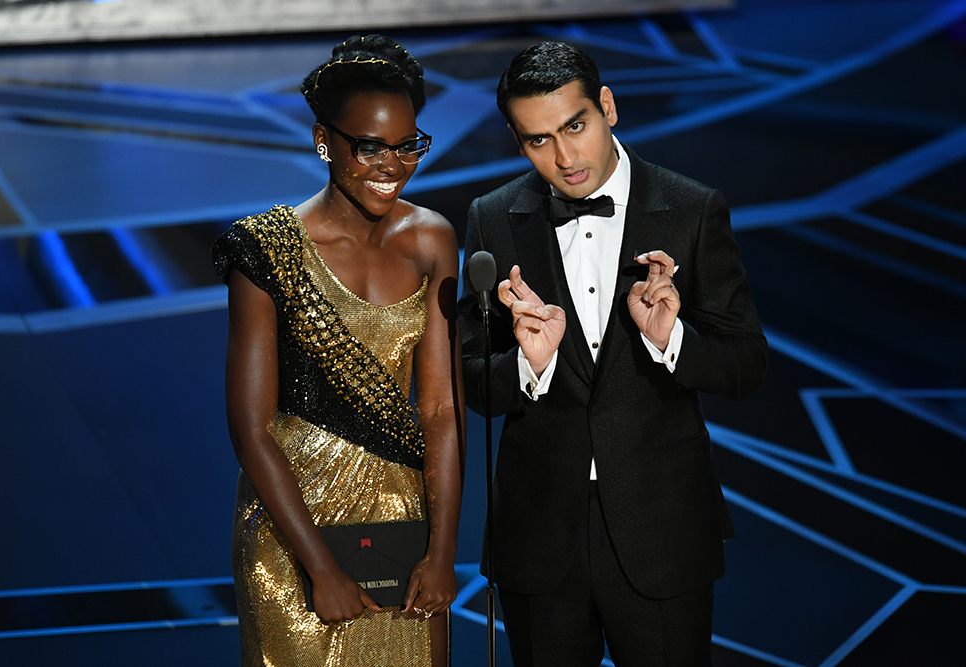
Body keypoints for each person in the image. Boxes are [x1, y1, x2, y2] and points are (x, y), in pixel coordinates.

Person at [458, 41, 767, 667]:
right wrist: (530, 366)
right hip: (540, 540)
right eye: (538, 140)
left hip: (663, 533)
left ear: (607, 106)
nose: (565, 157)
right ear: (518, 143)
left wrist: (669, 341)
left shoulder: (692, 209)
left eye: (575, 126)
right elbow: (470, 384)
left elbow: (745, 365)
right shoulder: (493, 220)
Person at [212, 35, 465, 667]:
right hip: (292, 528)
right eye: (371, 146)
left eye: (409, 145)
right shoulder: (265, 249)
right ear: (325, 140)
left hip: (400, 523)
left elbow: (439, 411)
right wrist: (320, 569)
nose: (394, 164)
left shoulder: (432, 240)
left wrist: (441, 554)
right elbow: (251, 429)